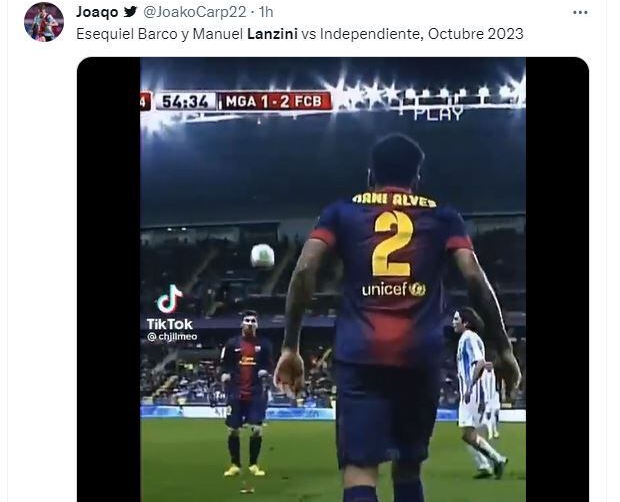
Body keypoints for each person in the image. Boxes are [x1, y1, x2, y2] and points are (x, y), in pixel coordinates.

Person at [274, 133, 521, 502]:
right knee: (408, 468)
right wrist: (503, 349)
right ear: (416, 178)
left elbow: (305, 270)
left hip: (360, 356)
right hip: (419, 357)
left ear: (370, 175)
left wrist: (290, 346)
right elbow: (474, 278)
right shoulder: (443, 216)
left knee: (360, 471)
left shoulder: (341, 212)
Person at [453, 308, 509, 479]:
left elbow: (480, 362)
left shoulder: (468, 337)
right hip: (472, 391)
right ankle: (484, 465)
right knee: (469, 432)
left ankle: (497, 459)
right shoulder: (469, 338)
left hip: (472, 392)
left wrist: (470, 387)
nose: (453, 322)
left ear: (466, 322)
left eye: (456, 319)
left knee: (468, 434)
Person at [220, 310, 273, 477]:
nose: (250, 323)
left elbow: (269, 364)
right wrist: (225, 374)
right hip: (235, 393)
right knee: (232, 430)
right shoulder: (232, 344)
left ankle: (253, 465)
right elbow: (225, 364)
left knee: (256, 429)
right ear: (242, 324)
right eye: (247, 320)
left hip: (256, 393)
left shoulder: (264, 345)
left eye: (253, 321)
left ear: (257, 325)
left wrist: (265, 371)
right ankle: (235, 465)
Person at [481, 359, 501, 439]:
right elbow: (484, 388)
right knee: (489, 416)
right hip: (488, 399)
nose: (490, 366)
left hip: (494, 398)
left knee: (494, 415)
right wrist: (486, 400)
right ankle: (490, 433)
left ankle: (495, 431)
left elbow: (496, 386)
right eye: (488, 365)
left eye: (491, 365)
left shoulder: (494, 374)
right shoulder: (484, 376)